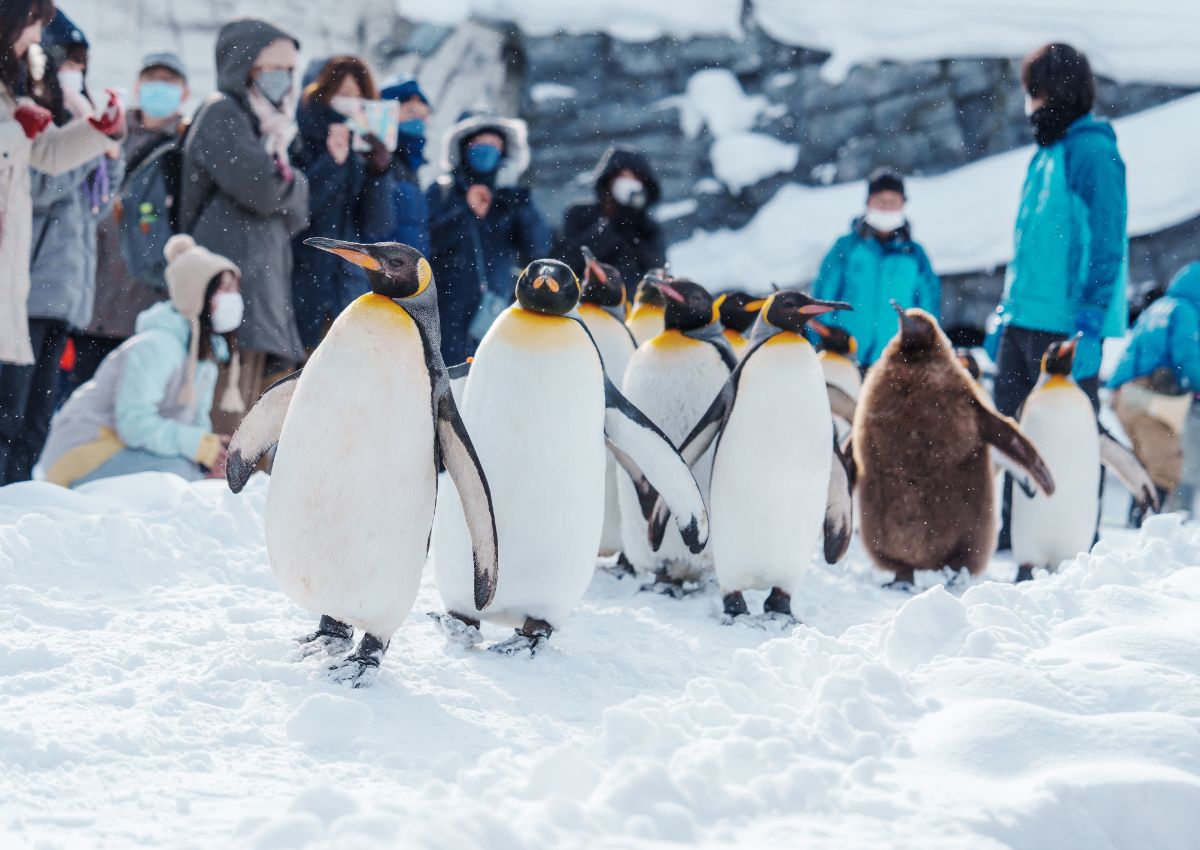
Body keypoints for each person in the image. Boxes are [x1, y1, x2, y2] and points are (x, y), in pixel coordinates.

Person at [990, 43, 1127, 547]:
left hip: (1066, 328)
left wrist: (1090, 322)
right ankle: (1013, 536)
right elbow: (1029, 245)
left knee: (1067, 443)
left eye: (1035, 91)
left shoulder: (1093, 152)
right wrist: (1006, 314)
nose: (1029, 102)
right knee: (1012, 437)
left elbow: (1106, 243)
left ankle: (1072, 543)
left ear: (1053, 92)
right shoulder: (1046, 152)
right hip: (1023, 320)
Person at [0, 8, 126, 485]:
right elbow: (39, 181)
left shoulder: (16, 90)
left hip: (55, 289)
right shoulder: (24, 93)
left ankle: (12, 509)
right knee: (7, 413)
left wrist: (100, 132)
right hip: (29, 282)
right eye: (31, 22)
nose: (33, 34)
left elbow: (57, 163)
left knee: (30, 418)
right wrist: (24, 129)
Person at [178, 18, 309, 432]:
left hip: (260, 295)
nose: (283, 80)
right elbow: (266, 192)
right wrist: (293, 185)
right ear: (244, 65)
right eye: (272, 67)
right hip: (229, 291)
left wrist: (288, 186)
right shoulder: (223, 113)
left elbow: (297, 212)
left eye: (290, 70)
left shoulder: (272, 129)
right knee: (222, 422)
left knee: (249, 428)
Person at [39, 235, 244, 488]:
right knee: (179, 476)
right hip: (85, 449)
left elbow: (190, 424)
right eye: (224, 290)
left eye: (235, 289)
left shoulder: (204, 356)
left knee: (202, 479)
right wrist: (198, 447)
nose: (233, 299)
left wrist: (210, 456)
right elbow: (134, 424)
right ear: (197, 295)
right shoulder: (155, 347)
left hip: (126, 451)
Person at [67, 51, 191, 393]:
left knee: (133, 406)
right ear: (137, 85)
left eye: (169, 81)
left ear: (185, 92)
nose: (159, 88)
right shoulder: (109, 132)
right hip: (92, 302)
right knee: (83, 406)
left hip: (148, 306)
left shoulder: (188, 147)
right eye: (152, 79)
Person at [426, 111, 550, 364]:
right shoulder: (441, 193)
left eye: (494, 145)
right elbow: (426, 244)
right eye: (479, 144)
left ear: (505, 153)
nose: (486, 150)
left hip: (496, 315)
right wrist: (464, 212)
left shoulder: (511, 200)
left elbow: (538, 249)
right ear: (462, 148)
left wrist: (518, 202)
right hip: (446, 319)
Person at [291, 55, 394, 350]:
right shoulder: (296, 145)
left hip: (346, 288)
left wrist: (379, 173)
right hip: (301, 286)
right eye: (343, 94)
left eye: (358, 96)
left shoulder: (361, 155)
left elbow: (377, 225)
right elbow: (298, 212)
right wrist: (331, 164)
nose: (352, 103)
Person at [809, 168, 940, 367]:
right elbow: (822, 296)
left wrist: (923, 346)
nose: (886, 207)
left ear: (903, 204)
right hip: (843, 357)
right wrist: (824, 338)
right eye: (881, 200)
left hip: (895, 361)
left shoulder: (915, 255)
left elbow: (928, 308)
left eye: (893, 201)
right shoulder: (845, 247)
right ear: (868, 202)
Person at [1108, 261, 1200, 522]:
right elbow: (1189, 360)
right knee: (1167, 464)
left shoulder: (1161, 307)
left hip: (1124, 395)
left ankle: (1137, 519)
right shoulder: (1186, 312)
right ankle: (1148, 524)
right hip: (1144, 395)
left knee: (1145, 465)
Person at [555, 147, 665, 297]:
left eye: (635, 177)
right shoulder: (580, 214)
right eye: (622, 176)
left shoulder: (648, 226)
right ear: (609, 179)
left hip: (632, 310)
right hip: (586, 302)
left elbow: (656, 271)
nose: (629, 183)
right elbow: (567, 261)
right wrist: (612, 225)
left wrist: (634, 225)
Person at [380, 77, 431, 256]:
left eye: (423, 116)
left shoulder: (412, 169)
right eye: (411, 112)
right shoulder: (375, 163)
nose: (418, 121)